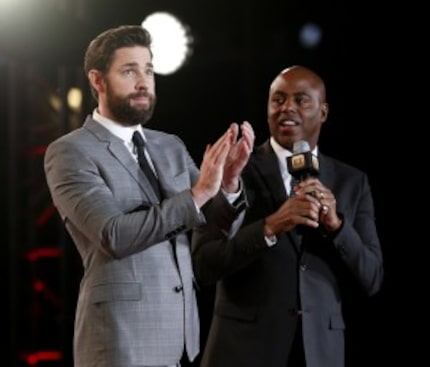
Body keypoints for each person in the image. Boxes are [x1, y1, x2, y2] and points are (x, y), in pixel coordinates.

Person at [43, 25, 254, 367]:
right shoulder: (69, 151)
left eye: (149, 70)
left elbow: (211, 224)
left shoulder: (169, 145)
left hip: (183, 339)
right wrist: (199, 192)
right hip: (120, 340)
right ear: (98, 81)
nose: (143, 82)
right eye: (129, 71)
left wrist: (228, 184)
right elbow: (113, 234)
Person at [192, 65, 384, 367]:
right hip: (243, 351)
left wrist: (336, 226)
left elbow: (372, 277)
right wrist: (269, 227)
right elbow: (203, 265)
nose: (287, 108)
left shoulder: (352, 182)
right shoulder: (236, 169)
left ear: (323, 112)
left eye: (301, 100)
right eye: (278, 100)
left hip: (318, 353)